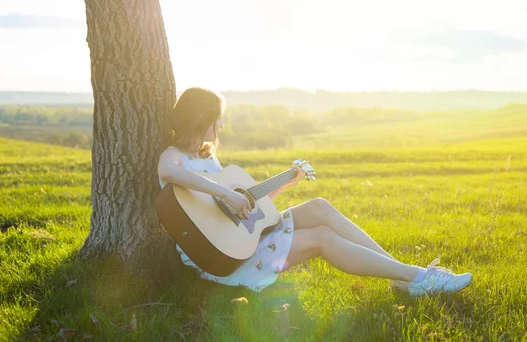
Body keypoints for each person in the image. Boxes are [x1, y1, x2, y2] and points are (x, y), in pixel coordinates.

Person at [157, 87, 473, 296]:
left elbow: (246, 218)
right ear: (202, 118)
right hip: (220, 261)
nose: (222, 124)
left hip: (238, 243)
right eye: (218, 118)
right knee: (322, 237)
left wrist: (283, 184)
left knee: (320, 206)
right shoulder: (175, 155)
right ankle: (419, 278)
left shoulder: (207, 156)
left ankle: (403, 277)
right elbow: (168, 173)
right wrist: (227, 194)